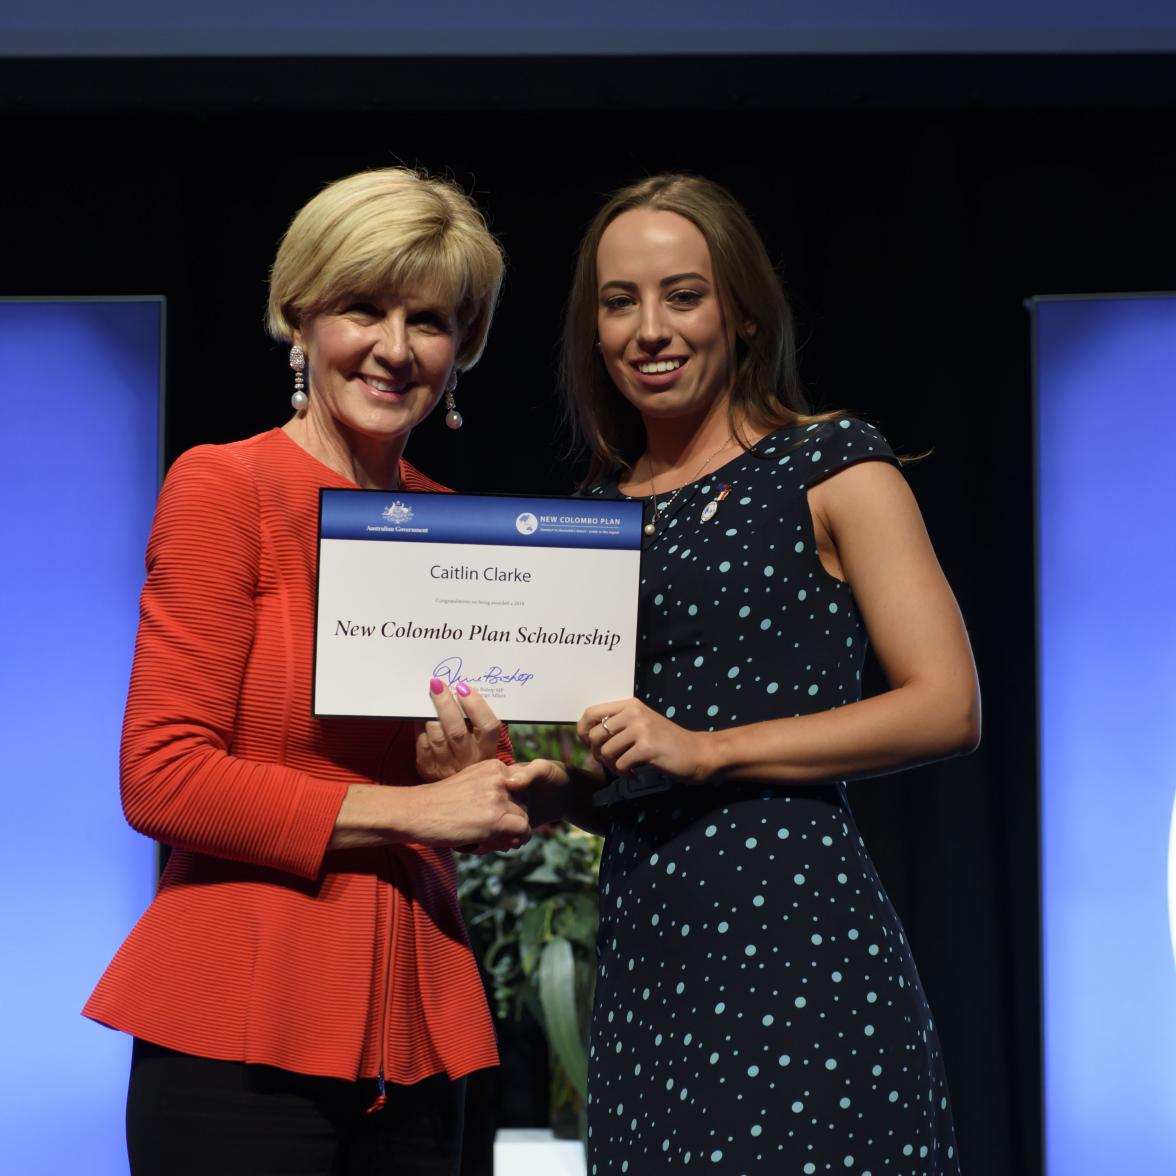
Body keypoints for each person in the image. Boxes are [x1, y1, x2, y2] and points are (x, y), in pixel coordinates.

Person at [83, 168, 544, 1176]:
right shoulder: (225, 487)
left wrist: (495, 774)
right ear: (301, 321)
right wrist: (424, 812)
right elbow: (161, 774)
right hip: (238, 1018)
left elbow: (489, 791)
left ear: (461, 349)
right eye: (362, 308)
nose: (394, 346)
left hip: (419, 1021)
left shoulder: (458, 529)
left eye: (429, 319)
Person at [531, 174, 980, 1173]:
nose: (651, 328)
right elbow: (625, 769)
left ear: (741, 312)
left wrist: (705, 751)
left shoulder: (832, 464)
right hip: (649, 954)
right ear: (593, 331)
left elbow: (948, 705)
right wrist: (544, 784)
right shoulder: (593, 518)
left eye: (682, 294)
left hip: (794, 935)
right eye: (620, 301)